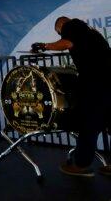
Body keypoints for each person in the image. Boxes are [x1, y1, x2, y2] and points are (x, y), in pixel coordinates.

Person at [31, 16, 111, 177]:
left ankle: (81, 165)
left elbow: (67, 43)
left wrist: (44, 46)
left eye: (58, 32)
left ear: (60, 25)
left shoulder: (71, 25)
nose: (60, 34)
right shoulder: (92, 33)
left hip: (96, 83)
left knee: (89, 123)